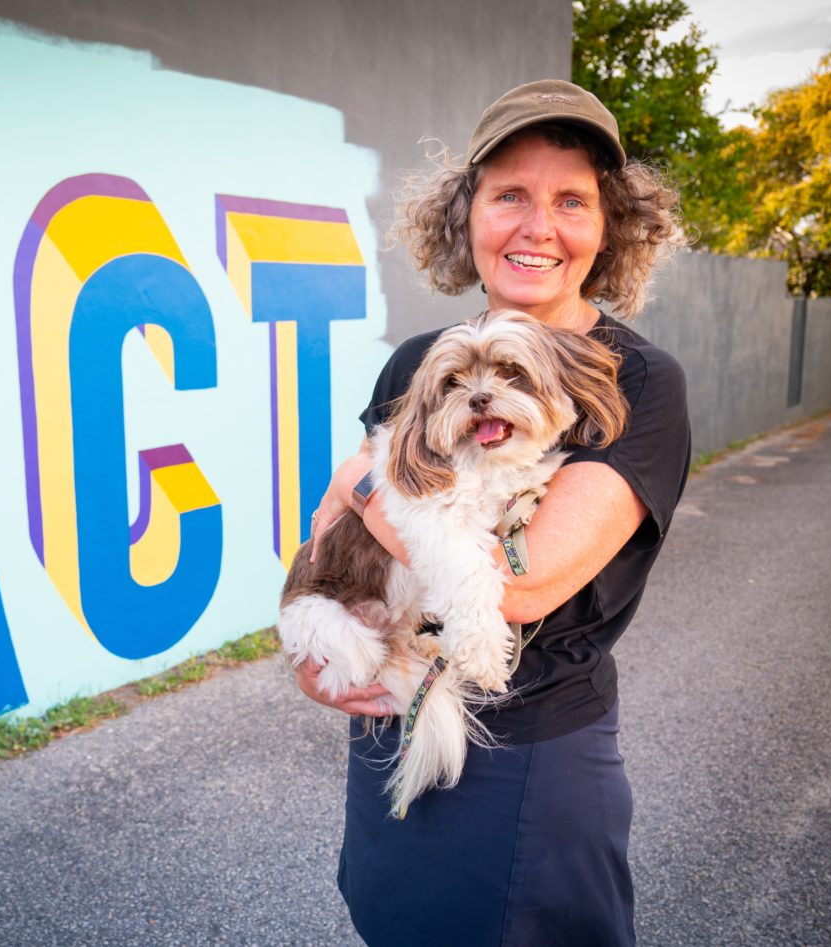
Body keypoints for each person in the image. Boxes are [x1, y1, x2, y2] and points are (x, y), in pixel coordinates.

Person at [295, 79, 692, 946]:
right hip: (394, 718)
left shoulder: (639, 381)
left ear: (610, 227)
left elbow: (523, 584)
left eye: (571, 201)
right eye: (509, 194)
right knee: (392, 922)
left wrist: (363, 480)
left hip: (532, 758)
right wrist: (314, 652)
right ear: (465, 214)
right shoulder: (418, 361)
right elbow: (342, 542)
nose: (537, 226)